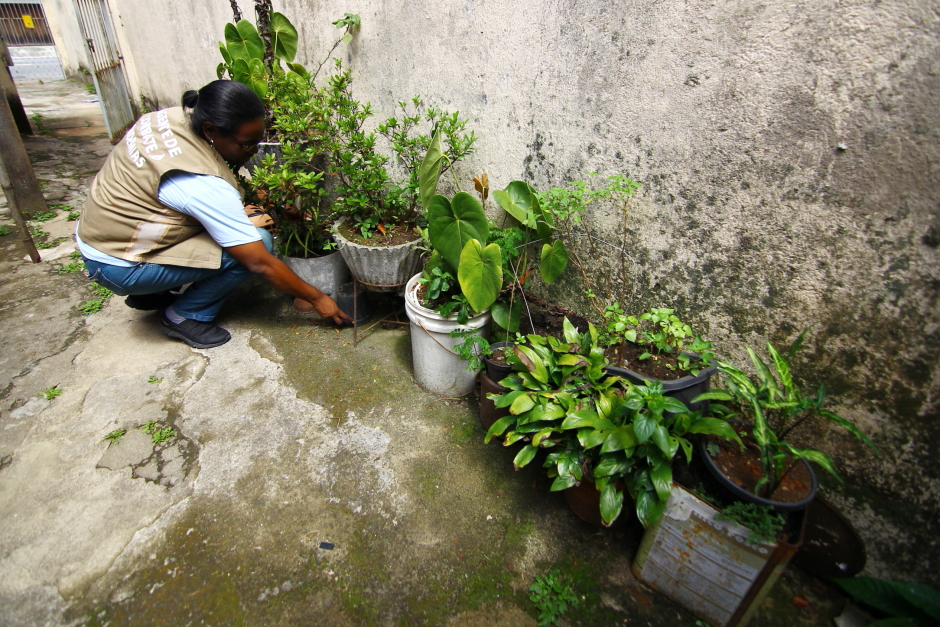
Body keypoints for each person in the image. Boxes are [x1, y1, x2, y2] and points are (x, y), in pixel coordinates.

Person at [76, 80, 350, 348]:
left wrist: (279, 205)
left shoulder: (165, 120)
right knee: (259, 243)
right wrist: (317, 299)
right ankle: (181, 316)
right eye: (247, 145)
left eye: (258, 142)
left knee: (221, 228)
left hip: (103, 234)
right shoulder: (201, 184)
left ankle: (149, 295)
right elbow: (260, 264)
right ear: (211, 130)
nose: (254, 152)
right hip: (118, 264)